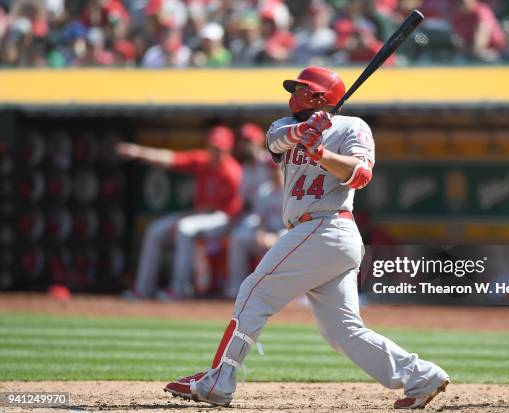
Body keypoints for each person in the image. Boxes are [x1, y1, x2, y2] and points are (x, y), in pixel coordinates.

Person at [164, 66, 450, 410]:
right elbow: (276, 141)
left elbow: (360, 175)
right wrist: (306, 130)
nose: (294, 93)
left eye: (303, 88)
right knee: (341, 331)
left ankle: (219, 380)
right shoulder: (284, 125)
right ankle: (421, 376)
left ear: (320, 96)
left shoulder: (353, 127)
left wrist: (322, 153)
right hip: (315, 234)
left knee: (254, 292)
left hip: (327, 226)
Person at [116, 125, 242, 299]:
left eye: (219, 149)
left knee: (184, 227)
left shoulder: (232, 172)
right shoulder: (203, 161)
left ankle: (179, 290)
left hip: (225, 220)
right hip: (199, 216)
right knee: (155, 231)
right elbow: (170, 158)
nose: (214, 152)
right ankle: (142, 289)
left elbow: (232, 211)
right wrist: (138, 152)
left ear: (228, 150)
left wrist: (191, 216)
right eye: (212, 147)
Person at [225, 160, 285, 299]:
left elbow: (295, 224)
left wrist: (275, 237)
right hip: (268, 232)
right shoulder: (265, 190)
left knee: (281, 241)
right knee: (238, 239)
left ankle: (277, 292)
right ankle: (235, 287)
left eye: (275, 169)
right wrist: (260, 232)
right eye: (270, 170)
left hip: (287, 234)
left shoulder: (292, 191)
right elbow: (261, 219)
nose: (272, 173)